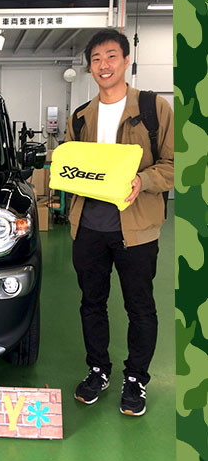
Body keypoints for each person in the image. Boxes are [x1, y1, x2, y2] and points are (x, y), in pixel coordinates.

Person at [65, 29, 174, 416]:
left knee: (140, 306)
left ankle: (136, 378)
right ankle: (98, 370)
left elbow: (174, 163)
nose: (104, 65)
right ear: (89, 67)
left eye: (111, 56)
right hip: (89, 227)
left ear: (126, 60)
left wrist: (143, 180)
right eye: (96, 59)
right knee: (91, 303)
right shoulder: (81, 116)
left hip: (136, 229)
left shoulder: (153, 108)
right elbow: (71, 164)